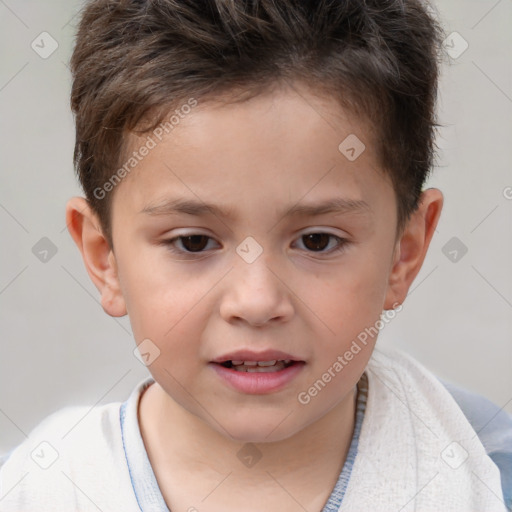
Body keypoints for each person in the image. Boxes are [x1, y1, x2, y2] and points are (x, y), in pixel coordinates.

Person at [1, 0, 510, 510]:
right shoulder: (38, 490)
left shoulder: (484, 473)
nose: (257, 301)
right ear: (104, 257)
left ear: (405, 251)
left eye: (317, 241)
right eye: (193, 242)